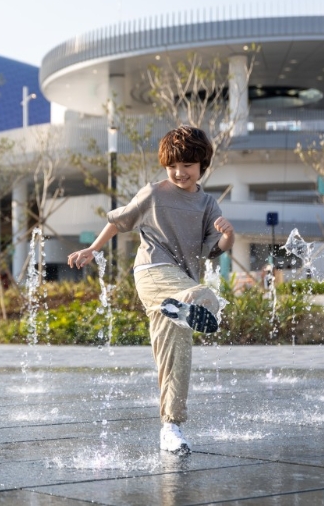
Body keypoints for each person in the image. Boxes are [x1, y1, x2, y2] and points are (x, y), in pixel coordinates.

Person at [67, 125, 234, 456]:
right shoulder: (154, 193)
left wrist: (229, 235)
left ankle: (170, 427)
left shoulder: (206, 204)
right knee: (203, 297)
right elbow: (120, 220)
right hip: (152, 272)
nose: (179, 172)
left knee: (176, 356)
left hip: (181, 279)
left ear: (202, 165)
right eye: (172, 165)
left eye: (187, 165)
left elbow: (214, 248)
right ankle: (182, 306)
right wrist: (92, 250)